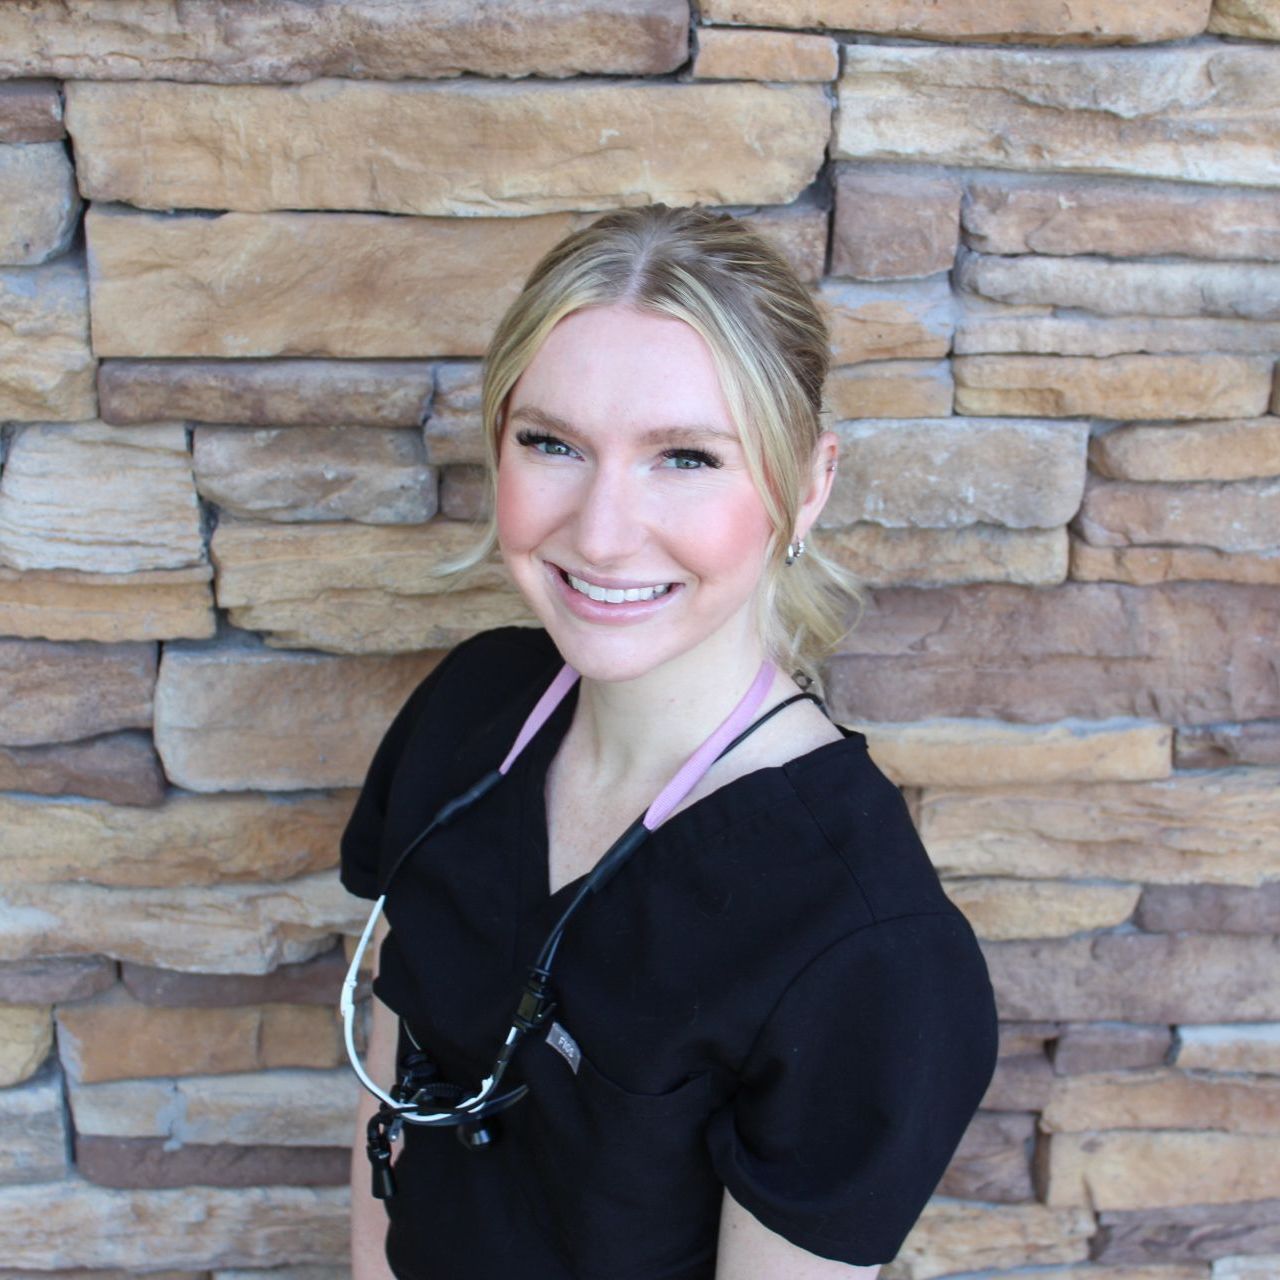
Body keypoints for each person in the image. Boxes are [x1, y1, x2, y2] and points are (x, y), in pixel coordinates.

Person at [340, 205, 998, 1280]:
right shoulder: (467, 712)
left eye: (683, 457)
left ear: (807, 484)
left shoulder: (868, 947)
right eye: (550, 442)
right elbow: (392, 1105)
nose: (599, 532)